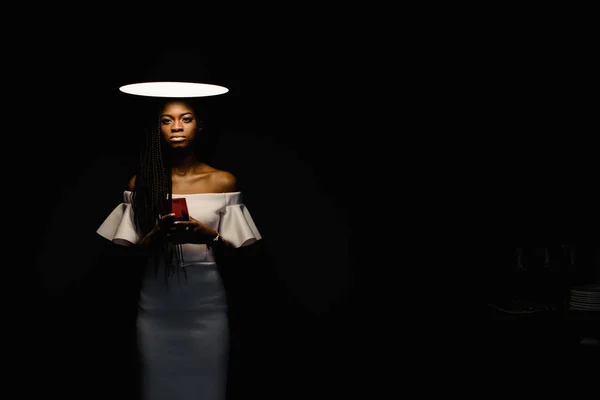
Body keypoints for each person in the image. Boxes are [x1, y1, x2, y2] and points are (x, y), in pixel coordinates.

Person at [95, 92, 263, 400]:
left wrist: (207, 235)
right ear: (157, 128)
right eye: (166, 120)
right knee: (156, 388)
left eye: (185, 119)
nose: (176, 127)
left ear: (200, 127)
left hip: (206, 307)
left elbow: (248, 256)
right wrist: (157, 235)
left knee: (208, 389)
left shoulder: (223, 181)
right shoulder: (142, 182)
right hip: (157, 308)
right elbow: (119, 258)